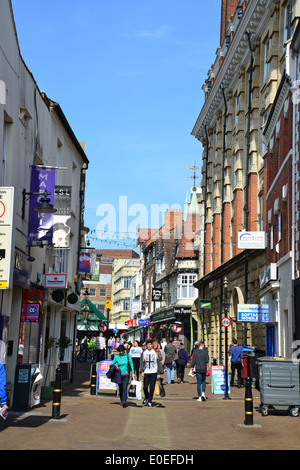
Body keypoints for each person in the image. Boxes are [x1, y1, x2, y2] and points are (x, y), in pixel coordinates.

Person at [140, 339, 163, 407]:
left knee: (152, 387)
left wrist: (158, 373)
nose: (149, 346)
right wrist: (142, 371)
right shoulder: (144, 352)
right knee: (145, 387)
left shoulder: (155, 353)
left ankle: (150, 401)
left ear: (152, 345)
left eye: (150, 344)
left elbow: (158, 362)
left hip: (154, 372)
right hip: (146, 371)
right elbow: (141, 362)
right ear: (146, 345)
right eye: (148, 344)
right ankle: (146, 397)